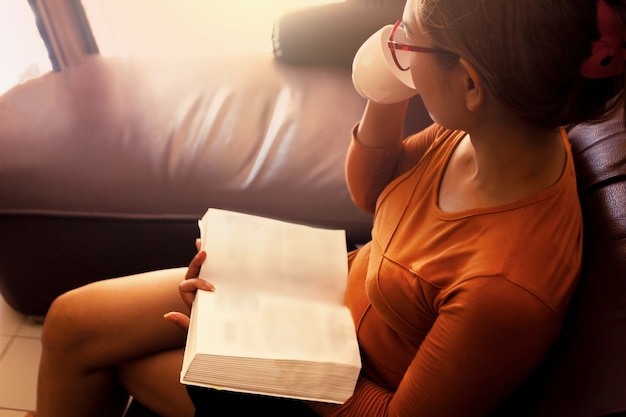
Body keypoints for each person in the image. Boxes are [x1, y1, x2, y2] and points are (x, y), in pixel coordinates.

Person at [30, 0, 626, 416]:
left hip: (328, 384)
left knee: (121, 360)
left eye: (408, 35)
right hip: (324, 297)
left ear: (470, 84)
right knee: (71, 320)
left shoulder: (506, 285)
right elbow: (374, 190)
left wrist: (273, 347)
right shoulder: (490, 136)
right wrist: (385, 91)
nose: (394, 41)